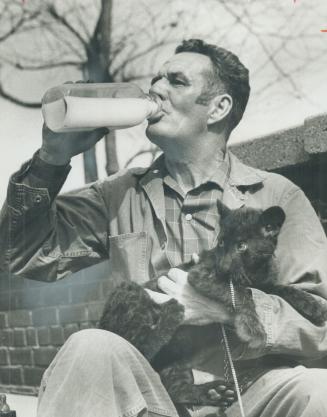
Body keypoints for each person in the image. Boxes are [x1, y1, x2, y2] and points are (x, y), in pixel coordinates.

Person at [1, 38, 327, 417]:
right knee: (89, 346)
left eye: (176, 80)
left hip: (253, 393)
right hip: (155, 398)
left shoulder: (277, 195)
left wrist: (230, 307)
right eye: (156, 79)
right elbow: (19, 254)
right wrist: (51, 158)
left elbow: (321, 320)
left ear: (219, 108)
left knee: (317, 391)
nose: (155, 89)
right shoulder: (118, 194)